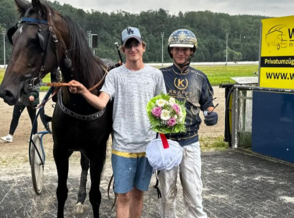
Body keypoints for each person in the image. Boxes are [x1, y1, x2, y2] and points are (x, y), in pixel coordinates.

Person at [68, 27, 166, 218]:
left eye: (136, 44)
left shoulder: (156, 75)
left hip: (147, 146)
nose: (133, 48)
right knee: (123, 196)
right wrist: (83, 91)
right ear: (123, 49)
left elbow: (162, 108)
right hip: (123, 147)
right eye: (128, 45)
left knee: (139, 194)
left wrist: (166, 131)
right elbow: (101, 102)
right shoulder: (114, 76)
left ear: (143, 47)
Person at [158, 29, 218, 218]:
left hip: (190, 144)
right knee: (166, 197)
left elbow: (207, 104)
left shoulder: (199, 77)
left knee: (193, 194)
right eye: (177, 48)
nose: (181, 52)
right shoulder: (159, 75)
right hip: (166, 144)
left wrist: (211, 115)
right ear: (171, 50)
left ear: (192, 51)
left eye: (186, 49)